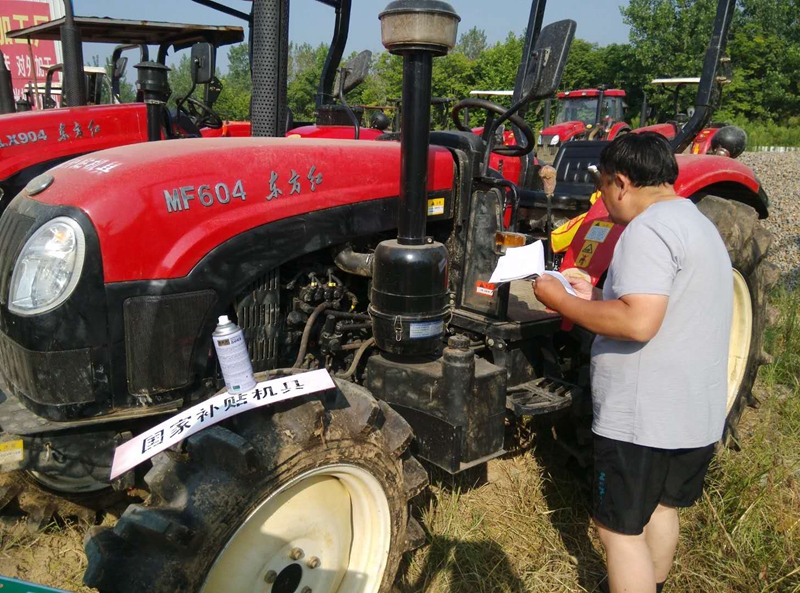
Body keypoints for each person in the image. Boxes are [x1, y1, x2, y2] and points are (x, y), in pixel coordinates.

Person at [533, 132, 733, 593]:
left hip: (642, 420)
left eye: (602, 186)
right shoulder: (697, 223)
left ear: (621, 183)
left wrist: (560, 300)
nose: (602, 198)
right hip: (692, 412)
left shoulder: (646, 230)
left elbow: (638, 323)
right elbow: (664, 304)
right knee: (661, 509)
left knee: (618, 532)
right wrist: (595, 296)